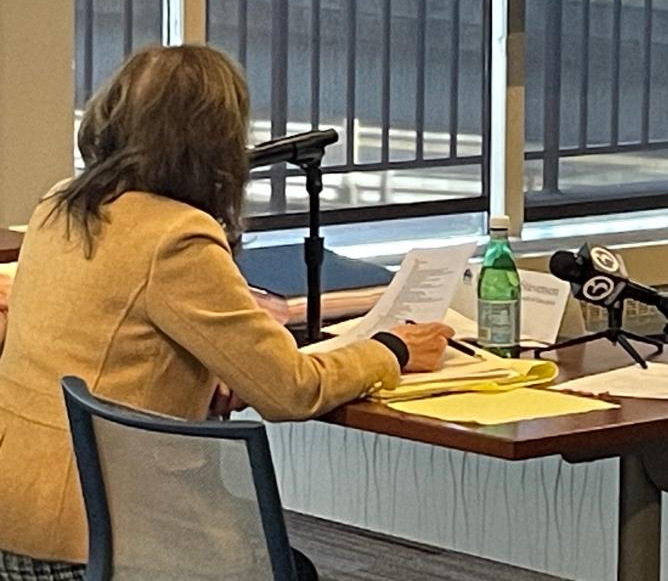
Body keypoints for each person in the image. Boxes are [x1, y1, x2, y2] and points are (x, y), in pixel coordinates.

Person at [0, 45, 453, 579]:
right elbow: (290, 390)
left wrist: (209, 366)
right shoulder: (176, 237)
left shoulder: (60, 206)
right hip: (95, 539)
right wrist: (392, 350)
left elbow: (110, 336)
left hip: (18, 518)